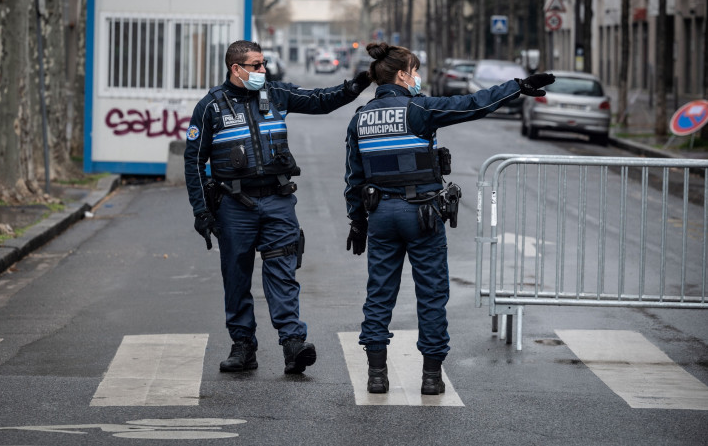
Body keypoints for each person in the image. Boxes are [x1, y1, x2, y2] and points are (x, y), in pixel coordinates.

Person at [343, 42, 553, 394]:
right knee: (431, 294)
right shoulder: (419, 108)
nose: (418, 76)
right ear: (402, 74)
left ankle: (376, 375)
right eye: (414, 69)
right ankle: (430, 377)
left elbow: (353, 178)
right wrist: (516, 87)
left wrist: (358, 221)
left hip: (380, 214)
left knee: (379, 295)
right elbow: (473, 104)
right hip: (421, 214)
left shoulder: (360, 118)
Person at [185, 40, 371, 375]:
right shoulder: (211, 107)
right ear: (236, 69)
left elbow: (320, 101)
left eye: (263, 64)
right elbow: (194, 161)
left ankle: (293, 345)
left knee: (282, 272)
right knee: (236, 276)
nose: (262, 71)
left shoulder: (277, 95)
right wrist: (201, 211)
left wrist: (355, 86)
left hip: (277, 200)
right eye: (255, 65)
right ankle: (243, 347)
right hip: (234, 205)